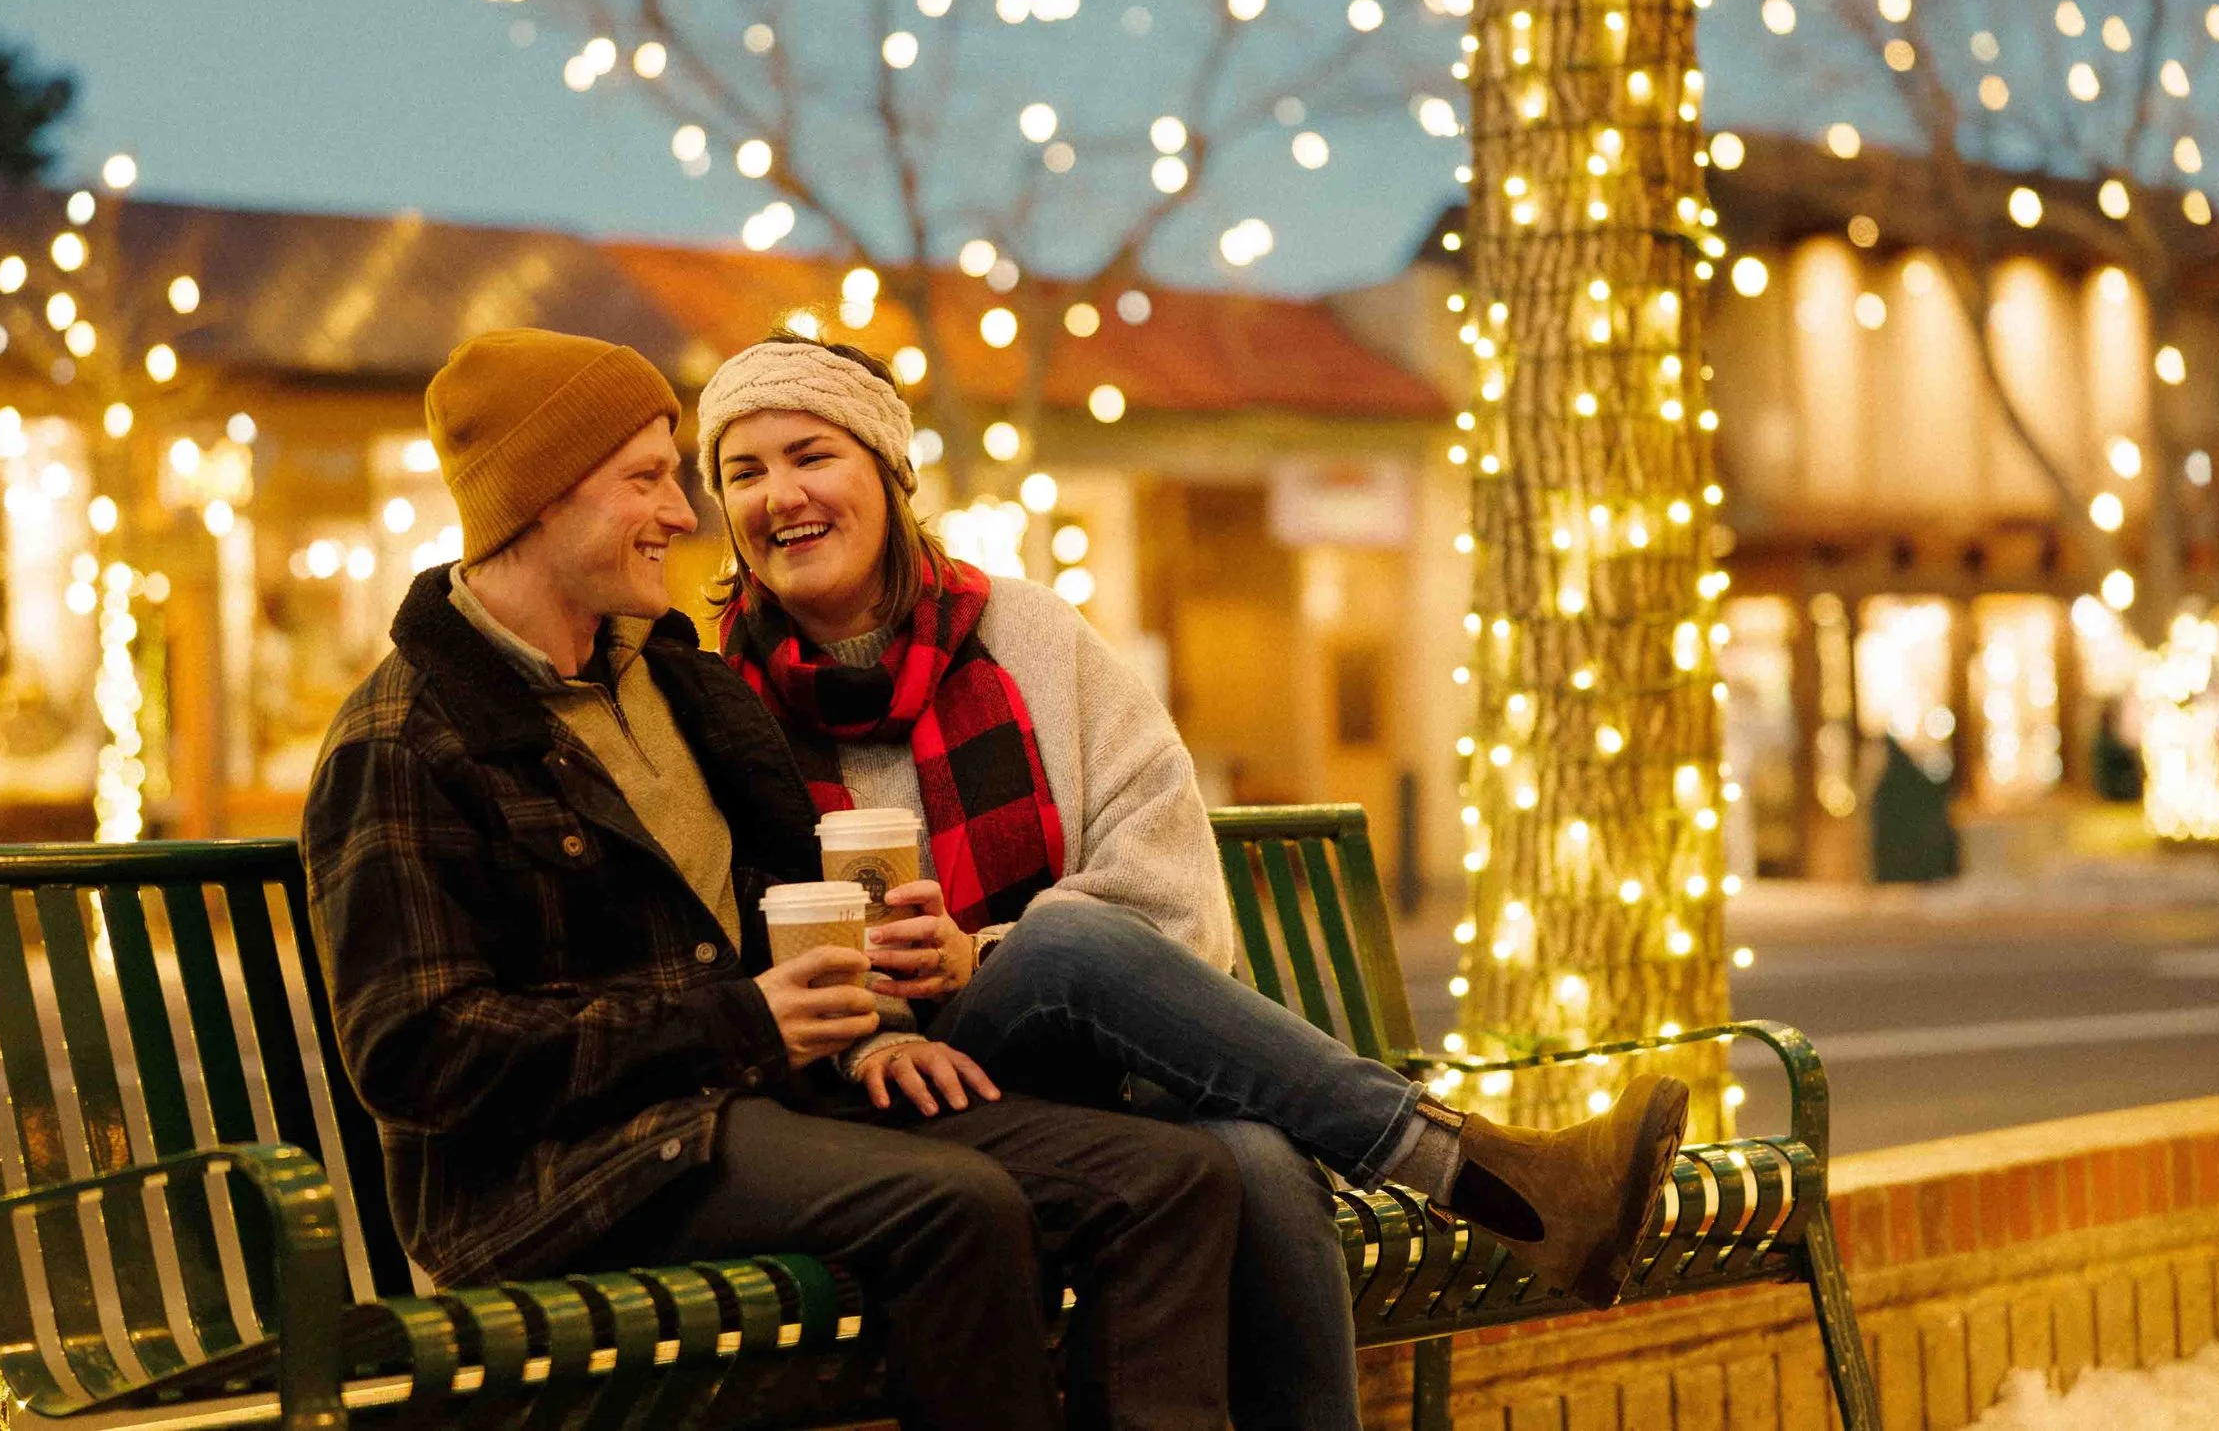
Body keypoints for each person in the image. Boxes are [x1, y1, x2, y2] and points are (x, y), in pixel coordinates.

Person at [697, 335, 1693, 1431]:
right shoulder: (709, 695)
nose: (779, 494)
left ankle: (1501, 1186)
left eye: (809, 454)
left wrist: (977, 954)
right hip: (873, 1100)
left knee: (1258, 1157)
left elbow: (1176, 896)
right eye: (743, 471)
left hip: (1086, 1065)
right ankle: (1483, 1172)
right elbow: (717, 937)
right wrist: (880, 1024)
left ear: (884, 469)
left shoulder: (1028, 636)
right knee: (1065, 945)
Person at [302, 330, 1246, 1431]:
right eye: (648, 478)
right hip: (565, 1174)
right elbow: (415, 1050)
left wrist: (873, 1027)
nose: (685, 512)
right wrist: (737, 1022)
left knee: (1175, 1177)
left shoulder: (674, 680)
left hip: (761, 1109)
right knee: (953, 1205)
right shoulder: (409, 735)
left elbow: (788, 908)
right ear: (542, 499)